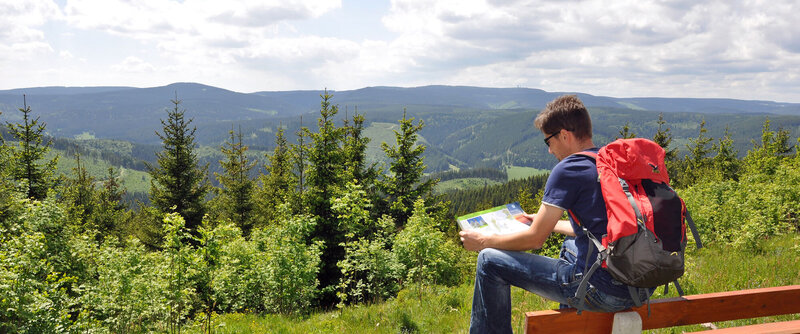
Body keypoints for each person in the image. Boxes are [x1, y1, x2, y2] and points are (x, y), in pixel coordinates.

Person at [459, 95, 652, 333]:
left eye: (548, 141)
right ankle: (569, 328)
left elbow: (535, 240)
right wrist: (540, 221)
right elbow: (598, 228)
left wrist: (482, 241)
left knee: (488, 260)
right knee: (571, 246)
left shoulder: (569, 168)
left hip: (602, 291)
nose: (550, 150)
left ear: (564, 135)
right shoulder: (609, 163)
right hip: (640, 287)